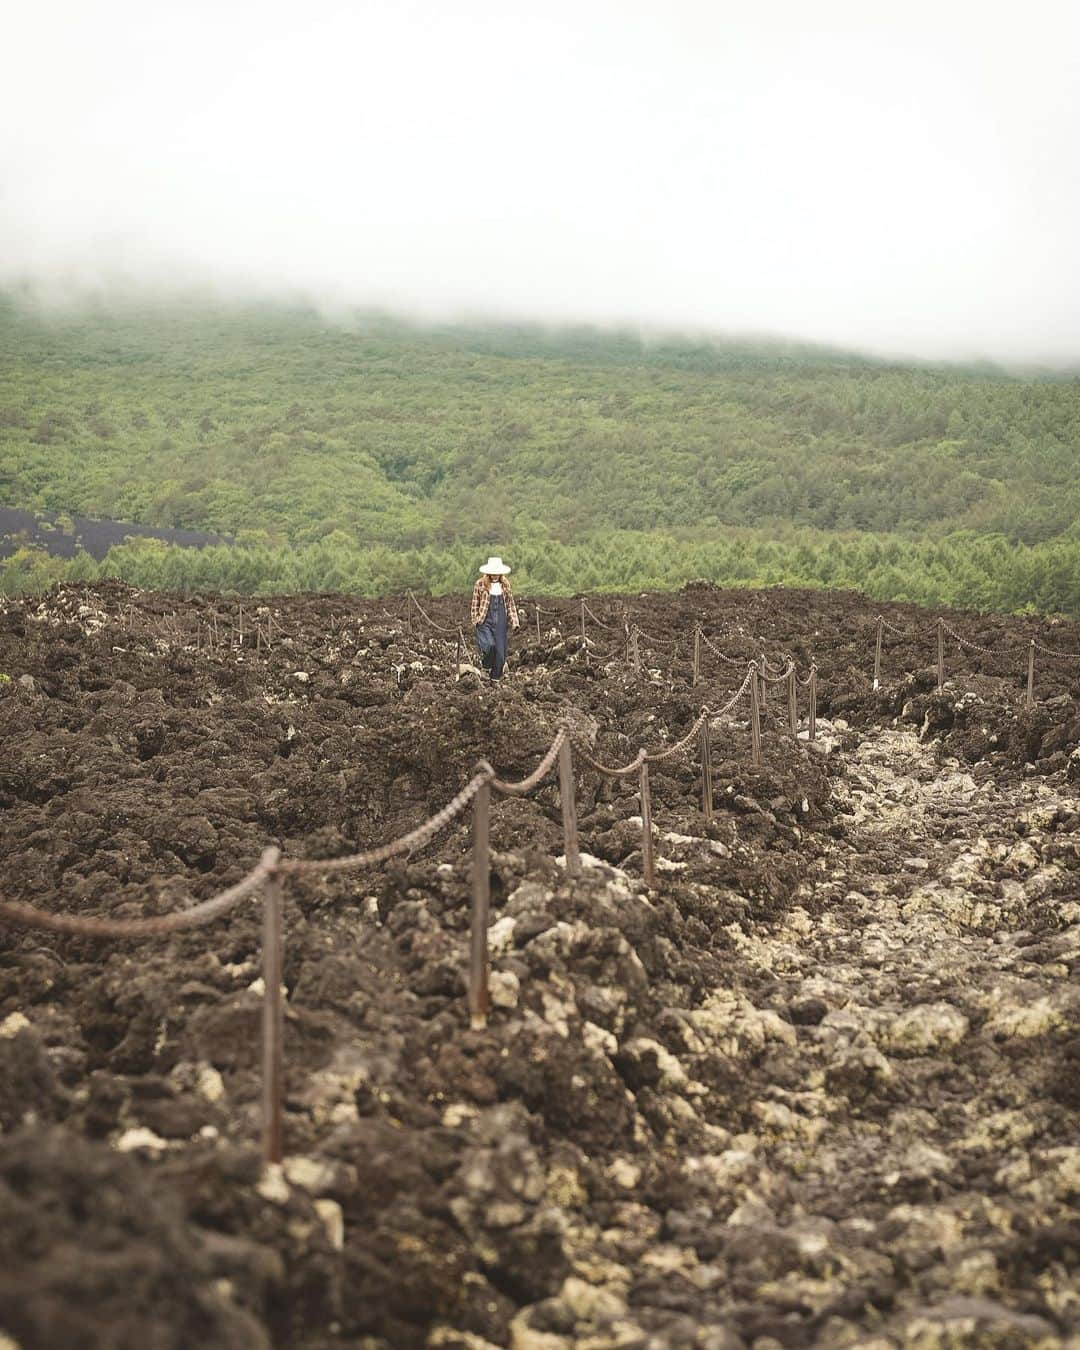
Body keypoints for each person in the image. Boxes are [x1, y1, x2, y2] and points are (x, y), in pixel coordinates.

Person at [471, 556, 519, 679]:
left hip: (501, 621)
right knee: (489, 645)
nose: (495, 575)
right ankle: (486, 667)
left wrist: (514, 622)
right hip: (485, 620)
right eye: (493, 573)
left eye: (497, 573)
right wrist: (475, 620)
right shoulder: (480, 584)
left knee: (501, 654)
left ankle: (495, 679)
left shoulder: (505, 586)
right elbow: (475, 603)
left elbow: (510, 604)